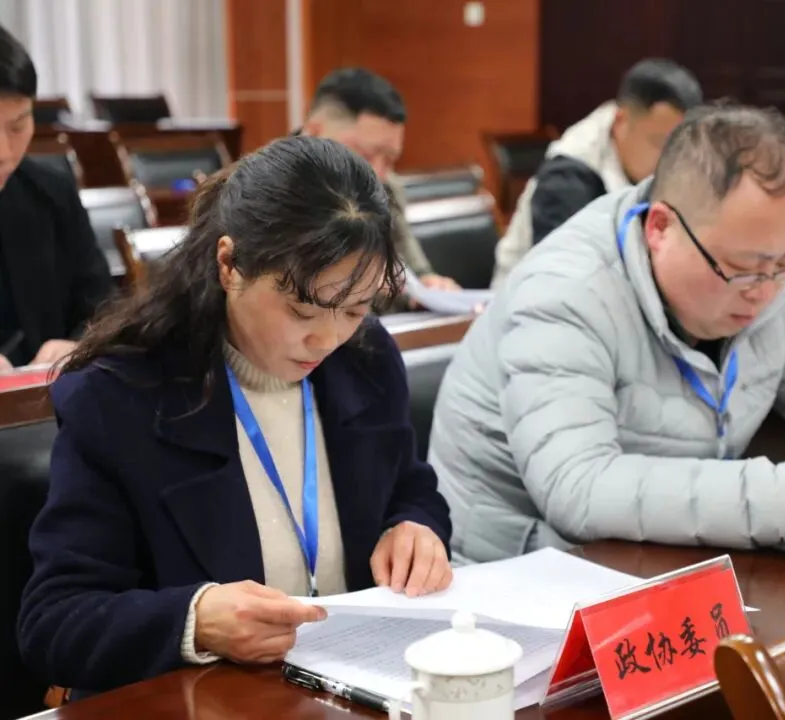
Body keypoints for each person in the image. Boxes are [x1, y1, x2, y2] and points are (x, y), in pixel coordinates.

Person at [428, 101, 785, 564]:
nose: (764, 292)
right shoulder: (566, 293)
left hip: (663, 557)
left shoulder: (770, 281)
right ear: (660, 228)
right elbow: (579, 488)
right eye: (743, 269)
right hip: (515, 572)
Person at [18, 136, 453, 694]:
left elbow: (411, 487)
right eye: (301, 311)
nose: (327, 339)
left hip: (347, 690)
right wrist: (195, 620)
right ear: (229, 264)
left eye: (354, 309)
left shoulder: (364, 360)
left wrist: (414, 527)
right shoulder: (123, 395)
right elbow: (54, 622)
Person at [491, 58, 702, 289]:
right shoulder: (567, 178)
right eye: (659, 142)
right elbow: (565, 279)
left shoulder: (658, 165)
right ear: (621, 122)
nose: (669, 160)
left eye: (677, 147)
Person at [0, 25, 112, 369]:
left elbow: (103, 306)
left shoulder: (51, 193)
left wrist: (80, 345)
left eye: (17, 127)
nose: (4, 153)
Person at [300, 67, 461, 303]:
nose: (379, 174)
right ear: (314, 132)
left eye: (390, 160)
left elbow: (413, 269)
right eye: (365, 156)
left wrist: (429, 284)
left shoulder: (388, 187)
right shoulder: (265, 193)